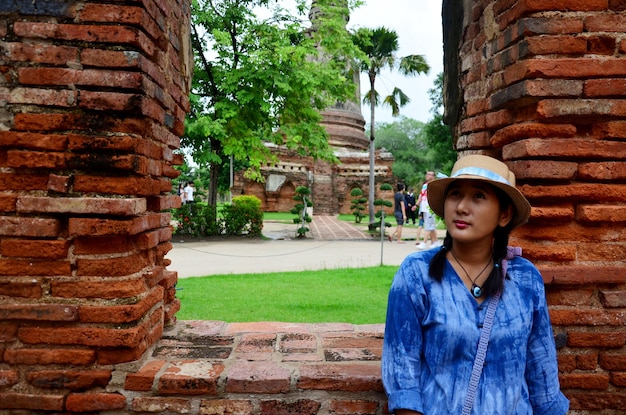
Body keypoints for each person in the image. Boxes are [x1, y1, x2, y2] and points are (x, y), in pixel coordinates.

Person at [382, 155, 569, 415]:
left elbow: (542, 374)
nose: (461, 207)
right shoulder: (417, 274)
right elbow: (402, 371)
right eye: (455, 194)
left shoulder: (525, 279)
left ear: (504, 214)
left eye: (478, 196)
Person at [415, 171, 438, 249]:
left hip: (430, 208)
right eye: (427, 174)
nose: (427, 176)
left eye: (429, 174)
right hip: (424, 208)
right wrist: (416, 205)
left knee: (428, 226)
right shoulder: (425, 185)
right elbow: (421, 196)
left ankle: (424, 243)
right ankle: (436, 242)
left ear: (433, 176)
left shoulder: (435, 185)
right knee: (431, 226)